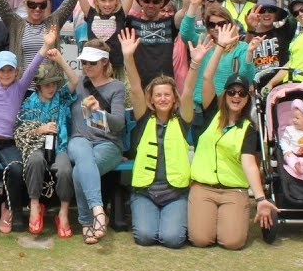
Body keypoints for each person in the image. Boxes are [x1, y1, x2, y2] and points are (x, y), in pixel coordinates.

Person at [187, 25, 273, 250]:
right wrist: (220, 47)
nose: (236, 96)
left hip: (233, 189)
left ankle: (228, 216)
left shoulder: (248, 128)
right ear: (224, 94)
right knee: (201, 239)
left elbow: (249, 164)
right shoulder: (211, 114)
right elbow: (207, 76)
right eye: (232, 92)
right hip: (203, 187)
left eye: (242, 93)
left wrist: (261, 198)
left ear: (247, 99)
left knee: (232, 242)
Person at [0, 11, 57, 233]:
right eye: (2, 70)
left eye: (10, 70)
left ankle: (7, 208)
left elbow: (34, 65)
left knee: (17, 169)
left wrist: (46, 45)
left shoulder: (19, 87)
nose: (6, 74)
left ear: (16, 72)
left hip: (10, 142)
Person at [121, 28, 203, 249]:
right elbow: (136, 89)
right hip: (145, 192)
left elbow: (188, 91)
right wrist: (128, 56)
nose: (163, 98)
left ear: (173, 98)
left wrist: (194, 64)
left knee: (172, 239)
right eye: (158, 95)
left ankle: (170, 219)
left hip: (175, 193)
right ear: (152, 99)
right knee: (145, 237)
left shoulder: (182, 119)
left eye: (167, 94)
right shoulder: (143, 118)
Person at [67, 38, 126, 244]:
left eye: (92, 62)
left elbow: (118, 124)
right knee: (83, 155)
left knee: (79, 170)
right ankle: (99, 212)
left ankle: (86, 221)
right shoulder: (77, 84)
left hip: (107, 144)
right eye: (84, 62)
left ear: (104, 62)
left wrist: (99, 113)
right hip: (79, 139)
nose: (87, 66)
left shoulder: (116, 87)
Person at [15, 55, 80, 237]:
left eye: (53, 84)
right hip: (36, 145)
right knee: (35, 160)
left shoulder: (61, 97)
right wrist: (39, 130)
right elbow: (22, 132)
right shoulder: (29, 103)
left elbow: (75, 80)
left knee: (65, 169)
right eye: (47, 85)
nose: (51, 88)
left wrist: (60, 60)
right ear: (38, 86)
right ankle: (35, 204)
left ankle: (63, 212)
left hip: (59, 146)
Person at [123, 0, 196, 85]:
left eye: (156, 1)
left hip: (164, 87)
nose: (151, 4)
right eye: (146, 0)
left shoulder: (169, 23)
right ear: (140, 1)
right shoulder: (131, 22)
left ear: (162, 2)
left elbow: (185, 9)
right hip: (138, 86)